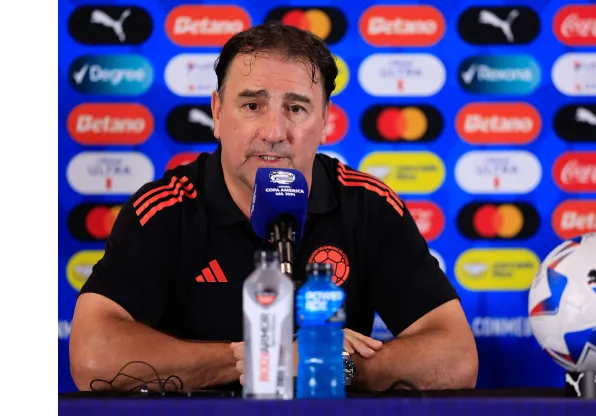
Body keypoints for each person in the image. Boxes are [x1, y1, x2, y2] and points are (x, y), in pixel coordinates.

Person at [69, 21, 478, 393]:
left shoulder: (368, 204)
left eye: (296, 108)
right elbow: (92, 357)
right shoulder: (164, 208)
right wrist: (263, 357)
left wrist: (333, 364)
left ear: (325, 120)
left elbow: (457, 358)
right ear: (216, 112)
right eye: (252, 106)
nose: (274, 132)